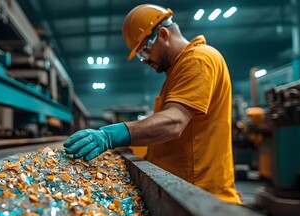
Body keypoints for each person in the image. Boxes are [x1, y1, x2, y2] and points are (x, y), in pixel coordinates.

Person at [63, 4, 242, 204]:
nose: (144, 60)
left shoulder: (199, 59)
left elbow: (174, 122)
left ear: (163, 34)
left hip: (204, 197)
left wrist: (111, 135)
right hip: (183, 191)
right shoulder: (177, 71)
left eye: (144, 51)